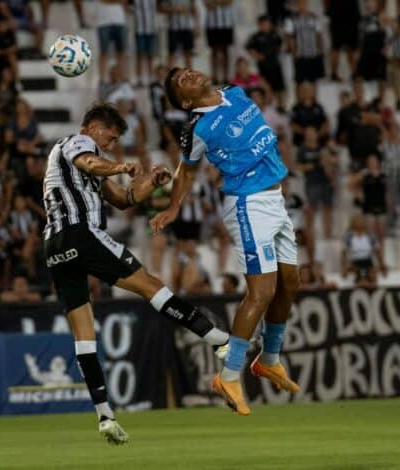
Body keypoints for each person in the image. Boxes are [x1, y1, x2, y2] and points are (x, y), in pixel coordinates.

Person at [42, 103, 230, 443]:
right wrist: (121, 165)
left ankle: (104, 416)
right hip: (80, 233)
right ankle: (217, 339)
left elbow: (124, 198)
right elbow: (90, 162)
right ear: (94, 128)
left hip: (55, 248)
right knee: (150, 285)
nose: (112, 144)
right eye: (110, 137)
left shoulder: (79, 165)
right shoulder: (77, 143)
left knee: (84, 335)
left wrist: (152, 183)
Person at [155, 68, 302, 417]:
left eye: (187, 71)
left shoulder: (234, 92)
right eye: (182, 81)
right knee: (262, 292)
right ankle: (229, 375)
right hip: (248, 205)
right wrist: (174, 206)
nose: (189, 74)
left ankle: (268, 359)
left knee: (290, 283)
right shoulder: (199, 128)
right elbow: (186, 170)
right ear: (186, 102)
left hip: (275, 198)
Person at [348, 154, 388, 249]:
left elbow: (387, 190)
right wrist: (357, 194)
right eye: (370, 162)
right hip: (368, 205)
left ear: (378, 162)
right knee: (370, 231)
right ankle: (371, 253)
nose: (373, 163)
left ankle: (381, 254)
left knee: (381, 232)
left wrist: (389, 203)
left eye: (374, 161)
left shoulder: (383, 175)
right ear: (367, 163)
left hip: (381, 205)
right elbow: (350, 184)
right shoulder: (364, 174)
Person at [245, 15, 286, 108]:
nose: (265, 26)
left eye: (267, 23)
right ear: (259, 25)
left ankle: (281, 107)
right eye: (263, 24)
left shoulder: (275, 35)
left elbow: (281, 45)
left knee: (279, 88)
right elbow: (248, 47)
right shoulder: (256, 37)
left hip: (275, 66)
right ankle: (268, 107)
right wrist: (257, 55)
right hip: (263, 68)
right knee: (267, 88)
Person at [341, 213, 387, 288]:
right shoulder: (348, 236)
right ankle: (358, 282)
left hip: (367, 261)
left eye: (361, 221)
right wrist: (343, 267)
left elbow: (377, 252)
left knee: (372, 273)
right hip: (355, 261)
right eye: (357, 221)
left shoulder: (370, 235)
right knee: (356, 272)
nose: (359, 223)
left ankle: (372, 286)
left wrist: (382, 266)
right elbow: (343, 253)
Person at [286, 0, 325, 85]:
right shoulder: (291, 19)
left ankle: (313, 93)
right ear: (297, 5)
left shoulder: (314, 17)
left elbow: (319, 35)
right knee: (300, 81)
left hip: (313, 53)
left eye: (304, 3)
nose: (302, 5)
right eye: (300, 3)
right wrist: (293, 52)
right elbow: (289, 37)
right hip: (300, 54)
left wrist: (321, 49)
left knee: (313, 79)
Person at [355, 0, 389, 97]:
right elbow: (361, 36)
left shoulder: (382, 16)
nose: (369, 4)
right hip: (366, 49)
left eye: (372, 2)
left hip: (379, 50)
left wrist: (386, 46)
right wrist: (359, 50)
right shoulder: (363, 19)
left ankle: (381, 99)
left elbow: (387, 33)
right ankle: (360, 99)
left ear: (376, 3)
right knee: (359, 76)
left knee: (381, 77)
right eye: (367, 2)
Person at [325, 0, 360, 81]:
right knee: (336, 49)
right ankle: (334, 74)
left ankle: (354, 73)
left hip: (350, 20)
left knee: (352, 49)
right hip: (338, 21)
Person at [96, 0, 128, 80]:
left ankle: (122, 78)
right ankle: (102, 79)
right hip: (103, 22)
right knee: (103, 52)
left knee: (121, 52)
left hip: (120, 21)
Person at [204, 0, 234, 84]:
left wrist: (215, 2)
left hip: (226, 24)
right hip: (211, 25)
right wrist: (221, 2)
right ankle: (214, 76)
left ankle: (225, 77)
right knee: (214, 51)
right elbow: (207, 4)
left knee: (225, 51)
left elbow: (230, 2)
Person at [161, 0, 197, 68]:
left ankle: (188, 74)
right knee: (172, 53)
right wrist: (174, 9)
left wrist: (196, 26)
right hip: (173, 27)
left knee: (188, 53)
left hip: (187, 27)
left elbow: (193, 8)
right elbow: (161, 8)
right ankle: (170, 74)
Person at [133, 0, 158, 86]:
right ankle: (139, 79)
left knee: (150, 55)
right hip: (139, 29)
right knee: (139, 55)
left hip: (151, 29)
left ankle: (151, 78)